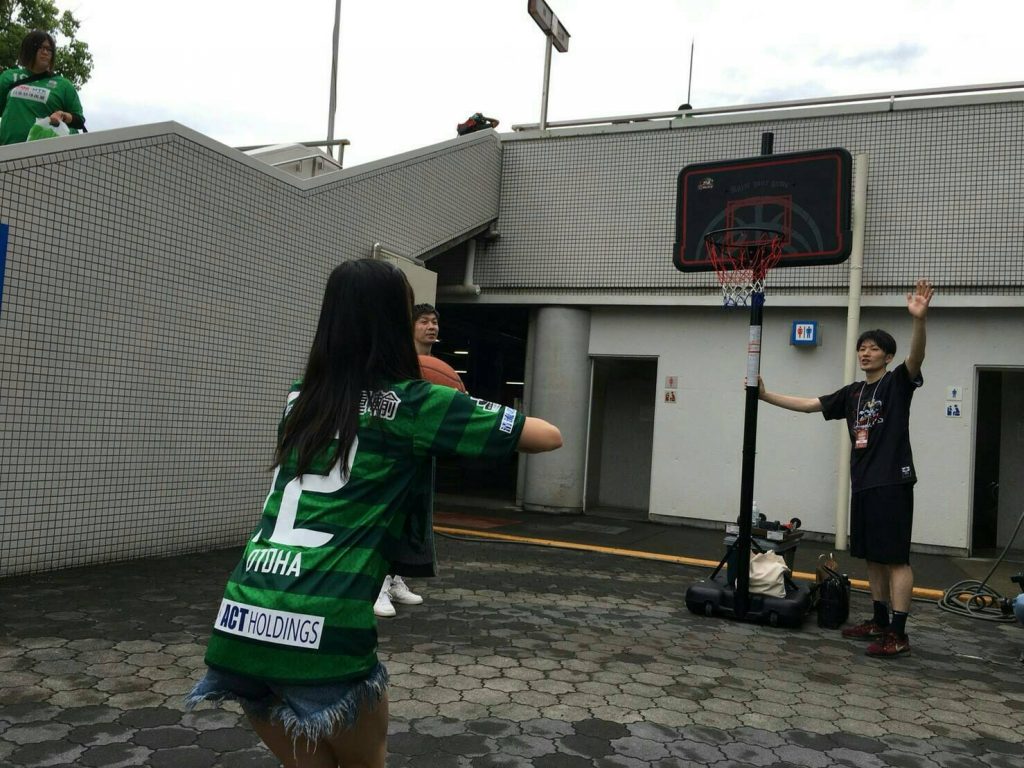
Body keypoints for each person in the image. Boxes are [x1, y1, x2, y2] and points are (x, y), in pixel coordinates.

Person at [187, 258, 561, 767]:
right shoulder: (417, 403)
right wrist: (456, 402)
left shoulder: (300, 397)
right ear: (394, 323)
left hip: (242, 614)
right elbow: (548, 436)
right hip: (325, 619)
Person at [758, 279, 934, 658]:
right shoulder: (853, 392)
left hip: (892, 482)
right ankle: (879, 620)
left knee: (895, 559)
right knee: (873, 557)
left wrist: (919, 320)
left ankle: (898, 633)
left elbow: (916, 357)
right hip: (864, 483)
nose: (865, 353)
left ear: (888, 356)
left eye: (874, 348)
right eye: (861, 348)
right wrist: (765, 396)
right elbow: (810, 404)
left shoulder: (897, 384)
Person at [373, 302, 464, 618]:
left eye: (434, 321)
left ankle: (395, 577)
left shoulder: (438, 369)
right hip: (393, 452)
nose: (431, 326)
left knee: (413, 518)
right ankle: (376, 584)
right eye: (424, 321)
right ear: (410, 327)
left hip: (422, 452)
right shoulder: (395, 364)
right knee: (389, 516)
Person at [0, 30, 85, 145]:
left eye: (49, 49)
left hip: (47, 151)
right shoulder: (8, 77)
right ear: (29, 49)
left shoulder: (63, 85)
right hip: (8, 150)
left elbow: (79, 120)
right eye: (41, 47)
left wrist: (63, 115)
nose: (45, 52)